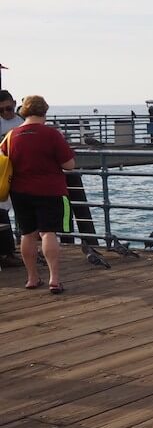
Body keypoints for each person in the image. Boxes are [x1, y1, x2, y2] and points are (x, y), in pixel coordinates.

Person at [1, 95, 76, 293]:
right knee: (48, 232)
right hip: (50, 190)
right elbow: (69, 165)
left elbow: (3, 159)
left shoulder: (11, 135)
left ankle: (32, 278)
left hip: (20, 191)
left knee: (27, 234)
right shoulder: (51, 135)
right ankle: (54, 279)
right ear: (44, 111)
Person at [0, 90, 25, 268]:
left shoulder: (22, 121)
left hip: (20, 171)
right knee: (2, 211)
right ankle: (7, 252)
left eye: (8, 108)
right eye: (0, 110)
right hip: (2, 171)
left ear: (14, 104)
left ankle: (17, 249)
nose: (5, 113)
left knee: (24, 210)